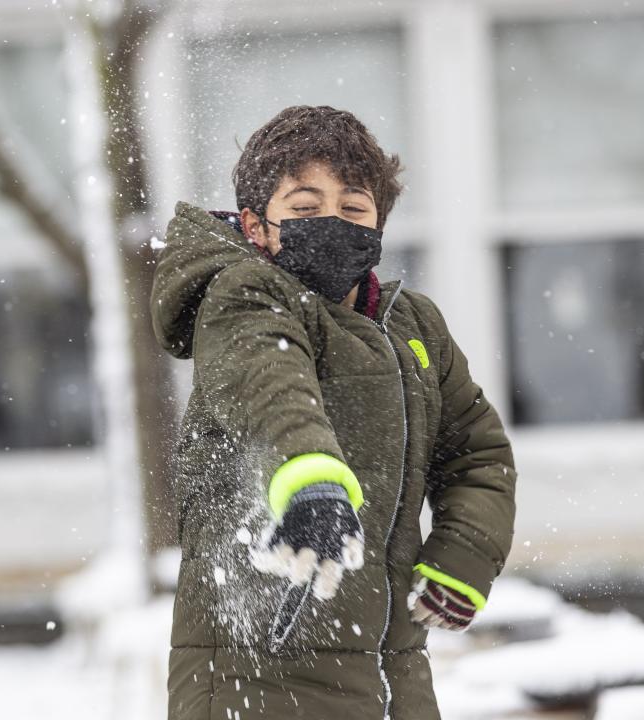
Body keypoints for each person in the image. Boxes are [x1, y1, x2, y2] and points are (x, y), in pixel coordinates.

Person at [151, 105, 518, 718]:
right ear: (257, 224)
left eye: (353, 207)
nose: (332, 221)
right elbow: (269, 386)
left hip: (394, 669)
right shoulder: (244, 295)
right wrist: (310, 476)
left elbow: (477, 452)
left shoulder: (413, 326)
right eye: (303, 206)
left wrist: (464, 556)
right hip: (259, 669)